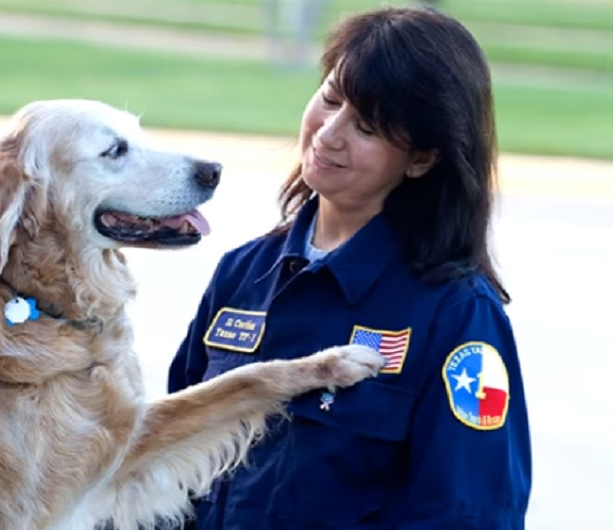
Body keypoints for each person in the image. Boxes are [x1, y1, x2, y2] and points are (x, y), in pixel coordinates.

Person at [167, 5, 531, 529]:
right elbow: (167, 469)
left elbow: (465, 515)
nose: (328, 134)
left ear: (423, 158)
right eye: (330, 99)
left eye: (366, 127)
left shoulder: (455, 315)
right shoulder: (243, 274)